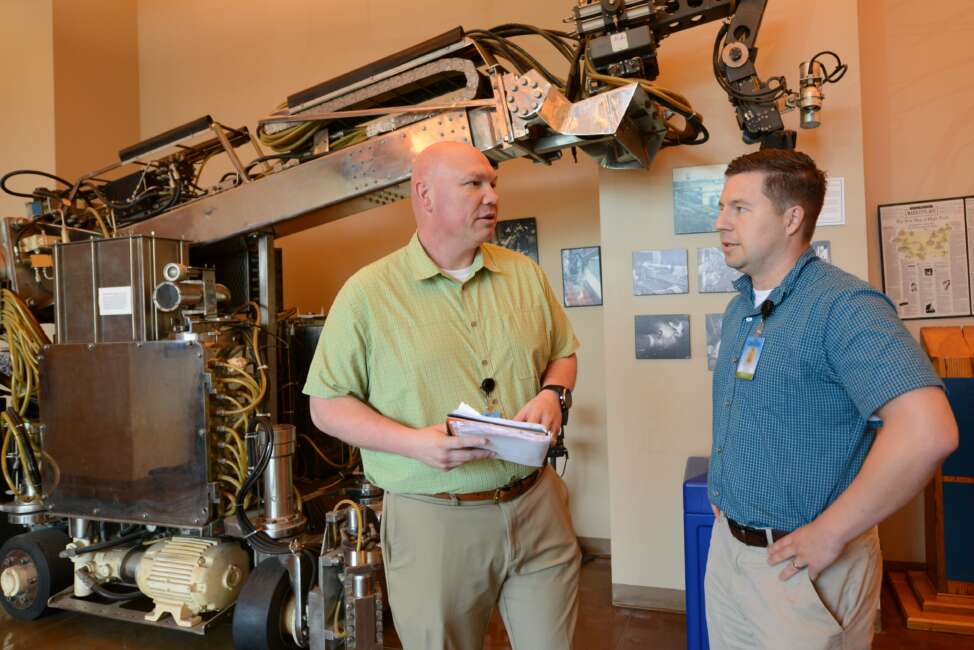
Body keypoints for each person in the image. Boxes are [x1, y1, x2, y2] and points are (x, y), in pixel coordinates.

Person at [304, 142, 581, 650]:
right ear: (425, 196)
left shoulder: (524, 275)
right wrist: (414, 443)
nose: (492, 196)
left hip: (537, 505)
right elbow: (326, 406)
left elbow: (563, 354)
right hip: (435, 519)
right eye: (474, 184)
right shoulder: (368, 293)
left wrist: (552, 394)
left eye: (493, 182)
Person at [705, 149, 958, 649]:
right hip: (731, 554)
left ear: (791, 217)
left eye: (739, 208)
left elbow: (928, 431)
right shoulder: (741, 310)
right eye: (721, 208)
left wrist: (831, 532)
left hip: (802, 569)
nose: (720, 223)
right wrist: (729, 498)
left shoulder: (845, 306)